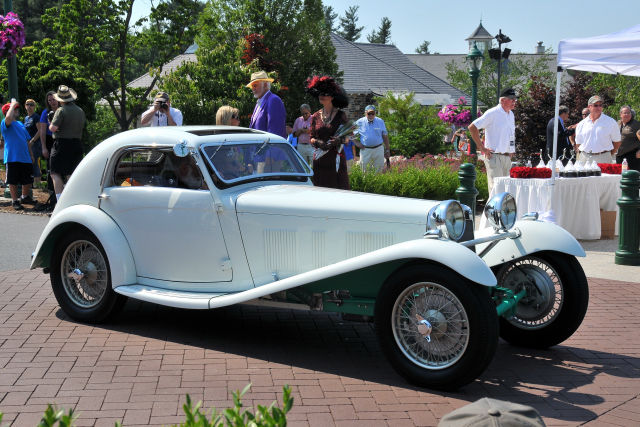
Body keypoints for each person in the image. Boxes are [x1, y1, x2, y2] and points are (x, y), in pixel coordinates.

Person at [305, 75, 350, 190]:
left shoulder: (341, 115)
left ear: (332, 97)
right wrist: (318, 142)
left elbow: (348, 137)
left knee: (337, 188)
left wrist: (339, 140)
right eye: (319, 93)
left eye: (324, 94)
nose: (321, 96)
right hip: (320, 159)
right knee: (320, 188)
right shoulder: (315, 116)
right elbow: (311, 137)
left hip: (336, 158)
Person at [469, 87, 517, 191]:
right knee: (496, 189)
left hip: (506, 157)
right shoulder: (493, 113)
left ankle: (503, 208)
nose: (514, 101)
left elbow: (510, 134)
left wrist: (511, 150)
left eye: (515, 99)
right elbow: (472, 127)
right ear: (502, 100)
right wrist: (482, 148)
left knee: (506, 191)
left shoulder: (511, 114)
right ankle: (492, 208)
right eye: (511, 99)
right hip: (494, 156)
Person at [48, 85, 86, 201]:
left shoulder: (61, 110)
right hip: (77, 144)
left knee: (55, 173)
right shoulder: (80, 110)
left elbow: (53, 128)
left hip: (62, 144)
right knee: (72, 174)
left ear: (60, 99)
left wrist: (50, 122)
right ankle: (73, 199)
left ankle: (60, 201)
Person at [1, 101, 35, 210]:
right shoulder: (5, 123)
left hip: (25, 157)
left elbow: (26, 140)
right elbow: (8, 118)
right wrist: (12, 104)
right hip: (12, 157)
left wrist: (31, 154)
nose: (16, 110)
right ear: (8, 111)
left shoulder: (20, 124)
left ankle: (24, 197)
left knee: (28, 180)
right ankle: (14, 201)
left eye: (16, 108)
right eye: (14, 109)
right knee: (13, 180)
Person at [575, 95, 621, 164]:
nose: (599, 107)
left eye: (600, 105)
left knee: (604, 175)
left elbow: (617, 142)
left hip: (603, 157)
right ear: (589, 107)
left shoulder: (610, 122)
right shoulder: (582, 124)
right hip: (585, 156)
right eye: (595, 105)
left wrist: (607, 154)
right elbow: (578, 143)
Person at [247, 71, 286, 138]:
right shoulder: (259, 102)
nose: (253, 89)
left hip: (268, 148)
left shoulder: (273, 100)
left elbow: (275, 134)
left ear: (265, 85)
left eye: (255, 85)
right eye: (252, 86)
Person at [354, 105, 390, 172]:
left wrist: (387, 150)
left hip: (378, 149)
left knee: (379, 170)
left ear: (375, 114)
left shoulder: (380, 121)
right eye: (369, 113)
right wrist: (356, 142)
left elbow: (385, 136)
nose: (371, 115)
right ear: (365, 113)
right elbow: (351, 133)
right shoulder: (360, 122)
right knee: (365, 171)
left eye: (373, 113)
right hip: (365, 149)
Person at [616, 106, 640, 171]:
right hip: (619, 155)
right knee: (619, 178)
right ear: (620, 114)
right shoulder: (618, 123)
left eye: (629, 113)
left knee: (632, 178)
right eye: (625, 113)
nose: (627, 114)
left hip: (632, 156)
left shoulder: (636, 124)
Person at [23, 99, 42, 183]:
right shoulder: (26, 118)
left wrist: (33, 141)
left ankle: (37, 183)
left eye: (31, 105)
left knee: (34, 161)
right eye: (28, 104)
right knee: (29, 162)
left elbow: (40, 130)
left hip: (35, 143)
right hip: (28, 144)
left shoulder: (36, 117)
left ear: (34, 107)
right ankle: (31, 182)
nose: (29, 106)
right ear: (25, 106)